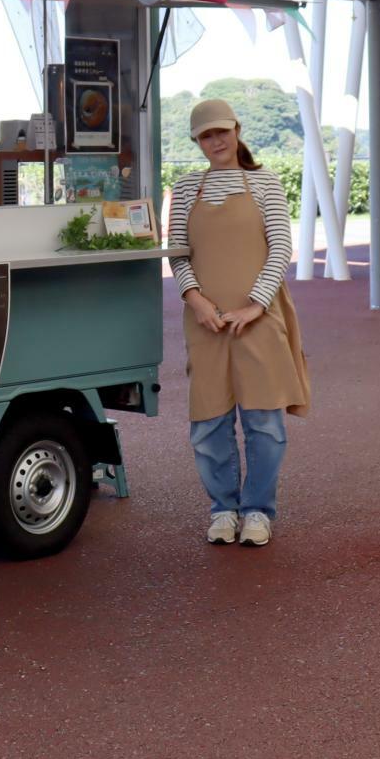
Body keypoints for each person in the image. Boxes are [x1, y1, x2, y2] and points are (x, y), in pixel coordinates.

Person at [167, 98, 311, 548]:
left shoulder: (265, 182)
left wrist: (255, 305)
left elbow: (280, 247)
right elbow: (177, 252)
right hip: (206, 321)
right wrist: (195, 300)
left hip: (259, 319)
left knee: (264, 421)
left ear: (236, 130)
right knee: (208, 422)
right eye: (206, 135)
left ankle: (258, 511)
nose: (216, 141)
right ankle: (223, 508)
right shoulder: (186, 187)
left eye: (221, 131)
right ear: (196, 140)